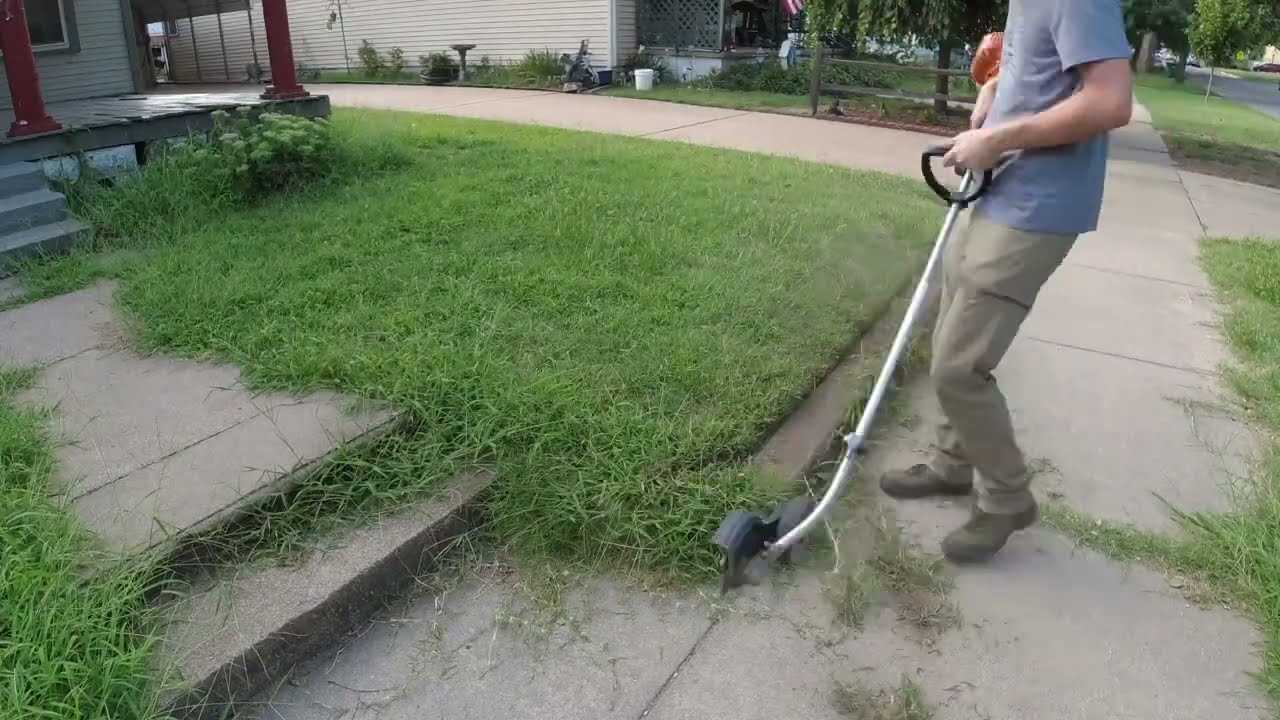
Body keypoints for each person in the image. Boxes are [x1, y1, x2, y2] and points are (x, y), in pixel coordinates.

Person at [879, 0, 1135, 563]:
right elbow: (1043, 69)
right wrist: (995, 86)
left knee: (958, 366)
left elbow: (1110, 100)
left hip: (1034, 206)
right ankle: (952, 463)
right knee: (946, 327)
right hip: (997, 189)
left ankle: (1006, 499)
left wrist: (996, 140)